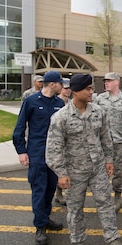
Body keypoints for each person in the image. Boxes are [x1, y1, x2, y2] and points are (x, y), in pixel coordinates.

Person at [46, 74, 122, 245]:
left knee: (105, 204)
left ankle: (112, 237)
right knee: (75, 209)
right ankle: (77, 239)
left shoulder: (98, 112)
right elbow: (54, 148)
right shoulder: (61, 117)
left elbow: (105, 138)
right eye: (88, 89)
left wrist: (109, 160)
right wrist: (61, 173)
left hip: (98, 169)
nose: (91, 92)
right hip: (74, 172)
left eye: (91, 88)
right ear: (75, 91)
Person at [12, 70, 65, 245]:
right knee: (39, 190)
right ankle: (40, 227)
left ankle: (46, 218)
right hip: (37, 154)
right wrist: (21, 151)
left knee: (50, 188)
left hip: (55, 155)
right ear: (52, 84)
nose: (62, 86)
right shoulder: (31, 101)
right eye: (60, 83)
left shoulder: (60, 103)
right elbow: (19, 127)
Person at [95, 72, 122, 212]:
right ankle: (103, 198)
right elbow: (92, 116)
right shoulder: (99, 99)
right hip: (102, 143)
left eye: (109, 81)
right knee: (100, 172)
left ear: (117, 82)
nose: (106, 83)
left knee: (118, 172)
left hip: (120, 143)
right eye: (105, 81)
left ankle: (117, 197)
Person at [54, 77, 71, 206]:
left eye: (70, 88)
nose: (68, 90)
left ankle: (66, 193)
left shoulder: (71, 103)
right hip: (59, 141)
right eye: (66, 88)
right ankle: (58, 194)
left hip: (70, 142)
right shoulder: (56, 102)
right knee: (60, 168)